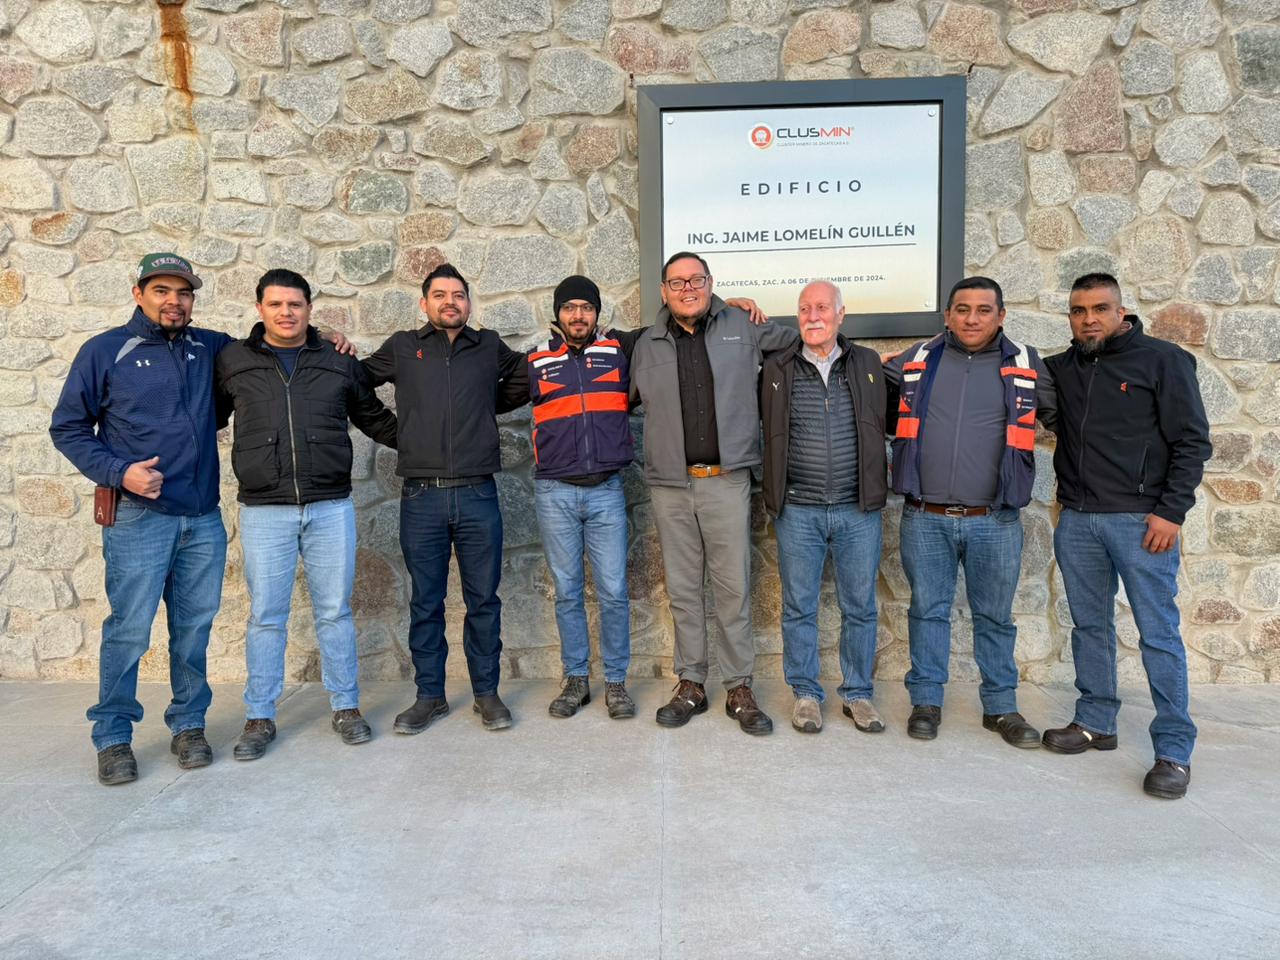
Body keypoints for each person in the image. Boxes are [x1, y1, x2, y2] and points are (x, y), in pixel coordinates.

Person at [50, 253, 233, 785]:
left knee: (193, 630)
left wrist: (329, 335)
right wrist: (118, 472)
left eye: (184, 292)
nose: (173, 301)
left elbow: (270, 342)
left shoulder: (211, 347)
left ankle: (189, 725)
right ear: (139, 294)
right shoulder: (106, 350)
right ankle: (112, 737)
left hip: (202, 518)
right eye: (162, 291)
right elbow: (68, 428)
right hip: (138, 518)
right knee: (129, 630)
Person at [215, 269, 399, 760]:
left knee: (335, 611)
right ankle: (259, 715)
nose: (286, 313)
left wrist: (431, 448)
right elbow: (204, 417)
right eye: (275, 305)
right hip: (264, 510)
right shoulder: (233, 360)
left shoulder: (336, 360)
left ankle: (346, 705)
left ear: (309, 309)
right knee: (266, 617)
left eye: (295, 305)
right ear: (260, 309)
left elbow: (375, 418)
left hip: (329, 505)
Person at [1042, 273, 1211, 800]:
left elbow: (1192, 442)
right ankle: (1096, 721)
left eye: (1099, 308)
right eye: (1078, 310)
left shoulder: (1162, 361)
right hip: (1078, 521)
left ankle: (1174, 751)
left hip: (1142, 523)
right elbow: (1005, 369)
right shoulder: (1062, 368)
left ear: (1121, 311)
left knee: (1157, 633)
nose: (1088, 318)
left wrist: (1171, 512)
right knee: (1089, 627)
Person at [629, 252, 797, 735]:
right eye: (677, 282)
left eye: (696, 280)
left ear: (710, 285)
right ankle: (692, 684)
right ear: (663, 291)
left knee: (733, 588)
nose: (687, 289)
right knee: (683, 590)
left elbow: (800, 344)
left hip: (727, 480)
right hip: (671, 484)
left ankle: (739, 687)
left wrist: (735, 308)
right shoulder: (646, 343)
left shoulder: (743, 327)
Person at [884, 276, 1056, 747]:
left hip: (994, 520)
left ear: (1001, 316)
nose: (972, 318)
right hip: (925, 515)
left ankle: (1001, 708)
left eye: (984, 309)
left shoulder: (1027, 363)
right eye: (962, 309)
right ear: (947, 315)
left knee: (995, 618)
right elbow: (869, 395)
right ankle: (926, 702)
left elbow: (1074, 419)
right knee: (927, 612)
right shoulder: (917, 359)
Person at [362, 263, 527, 733]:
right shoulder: (402, 348)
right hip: (422, 498)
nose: (449, 301)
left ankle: (486, 694)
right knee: (426, 602)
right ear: (425, 303)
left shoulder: (488, 346)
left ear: (469, 303)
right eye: (440, 294)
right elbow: (355, 386)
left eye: (458, 294)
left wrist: (484, 406)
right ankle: (429, 696)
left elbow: (525, 376)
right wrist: (400, 435)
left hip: (478, 494)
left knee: (483, 601)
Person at [760, 281, 892, 734]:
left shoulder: (868, 364)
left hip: (858, 510)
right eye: (804, 308)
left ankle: (857, 695)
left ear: (841, 315)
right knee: (799, 606)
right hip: (798, 509)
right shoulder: (776, 368)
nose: (813, 316)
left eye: (822, 308)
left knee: (860, 606)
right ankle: (805, 694)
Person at [528, 276, 638, 720]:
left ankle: (615, 683)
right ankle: (575, 680)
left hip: (606, 491)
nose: (578, 315)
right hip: (554, 491)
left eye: (586, 307)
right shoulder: (534, 361)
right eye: (569, 307)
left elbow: (676, 319)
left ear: (597, 313)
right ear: (558, 314)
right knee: (568, 592)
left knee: (613, 591)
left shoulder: (619, 351)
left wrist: (731, 302)